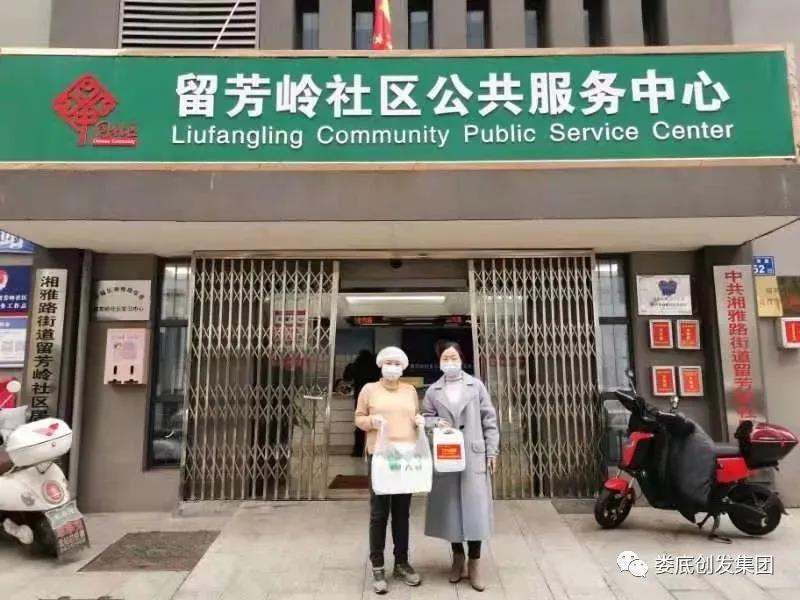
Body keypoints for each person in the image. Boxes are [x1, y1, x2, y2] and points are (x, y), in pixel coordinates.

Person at [421, 342, 499, 592]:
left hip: (474, 455)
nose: (450, 361)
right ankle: (457, 560)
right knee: (451, 511)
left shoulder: (476, 386)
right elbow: (424, 419)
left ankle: (474, 564)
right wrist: (435, 423)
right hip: (447, 456)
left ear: (461, 359)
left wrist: (492, 451)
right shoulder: (434, 390)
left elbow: (489, 419)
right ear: (439, 361)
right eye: (445, 358)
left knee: (475, 512)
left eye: (453, 357)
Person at [354, 346, 425, 595]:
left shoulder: (409, 391)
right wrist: (371, 421)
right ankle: (377, 566)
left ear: (403, 367)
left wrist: (418, 420)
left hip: (405, 457)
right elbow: (358, 418)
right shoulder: (369, 390)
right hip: (381, 457)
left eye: (397, 363)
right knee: (379, 512)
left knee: (402, 512)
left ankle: (401, 563)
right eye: (389, 362)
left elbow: (414, 415)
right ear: (381, 365)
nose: (392, 367)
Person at [343, 349, 380, 456]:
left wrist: (350, 366)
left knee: (360, 424)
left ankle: (358, 451)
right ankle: (374, 450)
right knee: (375, 423)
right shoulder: (376, 367)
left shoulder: (356, 366)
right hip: (375, 396)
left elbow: (346, 377)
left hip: (360, 397)